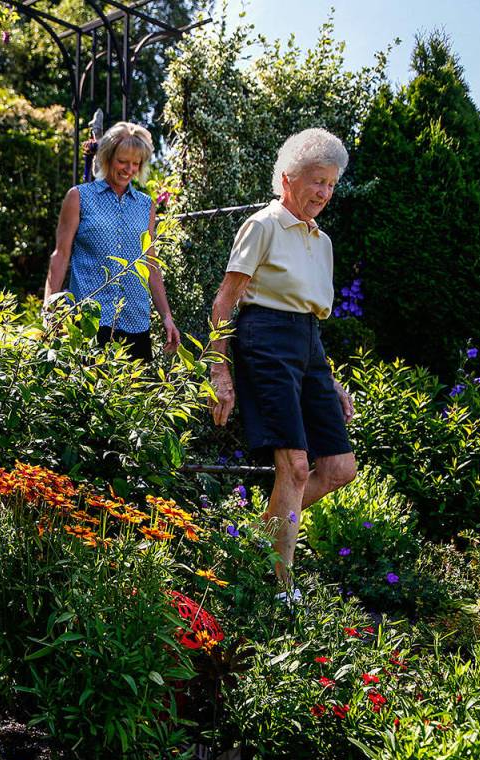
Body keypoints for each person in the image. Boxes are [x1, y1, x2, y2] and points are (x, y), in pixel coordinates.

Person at [208, 128, 357, 597]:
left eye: (332, 184)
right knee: (293, 466)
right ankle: (280, 587)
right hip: (264, 339)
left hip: (308, 346)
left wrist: (329, 382)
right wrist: (219, 368)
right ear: (288, 178)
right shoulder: (264, 226)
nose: (324, 193)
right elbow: (224, 303)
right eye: (317, 181)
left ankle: (256, 540)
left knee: (339, 468)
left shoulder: (323, 242)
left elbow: (311, 318)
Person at [44, 121, 180, 361]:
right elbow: (61, 255)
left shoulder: (145, 205)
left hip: (135, 320)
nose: (129, 169)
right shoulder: (79, 197)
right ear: (107, 157)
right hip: (89, 321)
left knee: (135, 397)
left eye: (135, 163)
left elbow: (150, 264)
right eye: (122, 161)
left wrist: (166, 316)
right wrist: (50, 311)